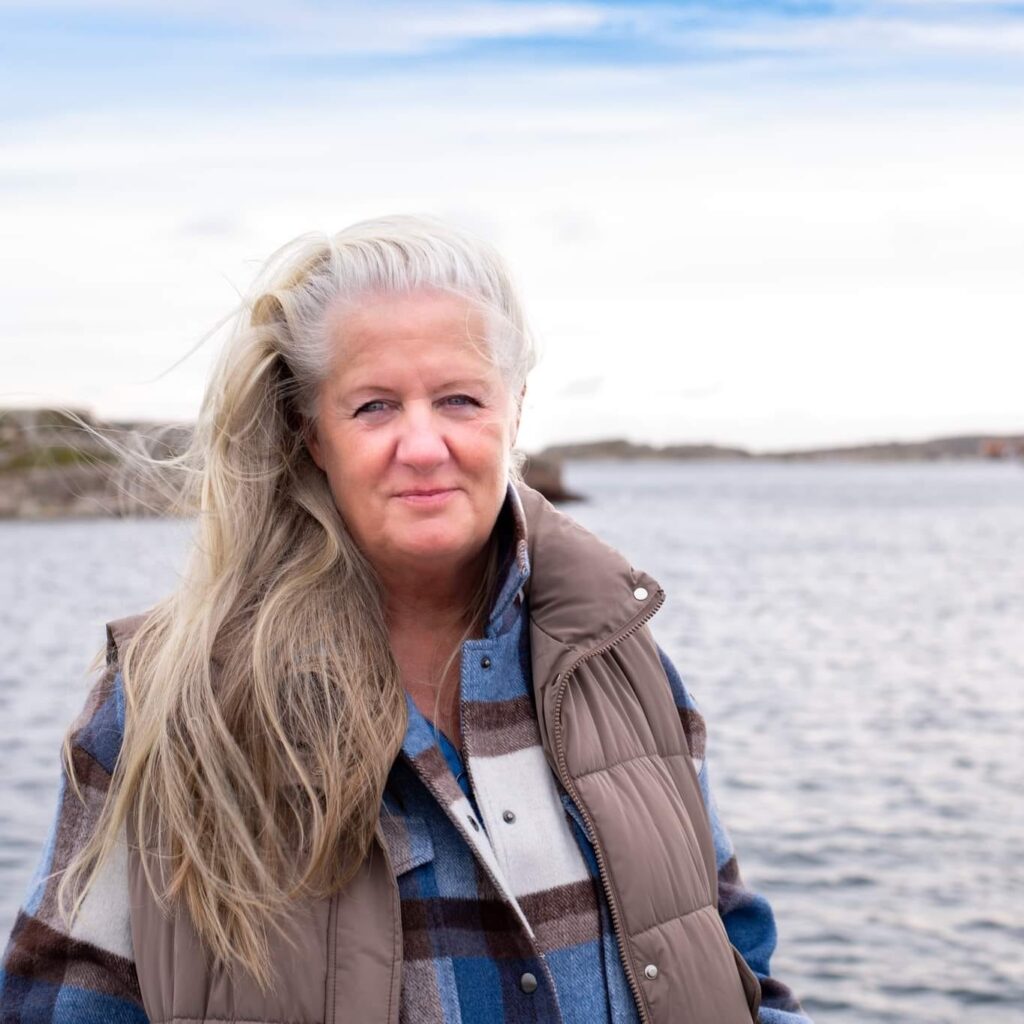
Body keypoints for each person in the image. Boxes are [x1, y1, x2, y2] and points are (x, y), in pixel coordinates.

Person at [0, 215, 812, 1024]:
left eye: (460, 399)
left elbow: (742, 972)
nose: (422, 446)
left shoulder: (620, 662)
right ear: (311, 434)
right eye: (374, 407)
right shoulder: (167, 700)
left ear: (515, 411)